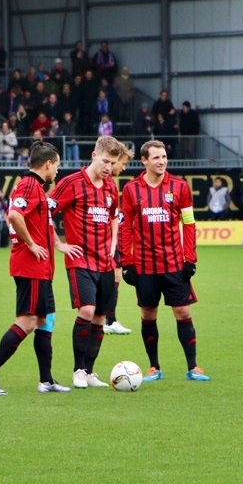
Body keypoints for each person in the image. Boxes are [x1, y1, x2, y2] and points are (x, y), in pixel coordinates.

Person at [0, 141, 80, 396]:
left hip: (42, 269)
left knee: (45, 320)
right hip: (30, 267)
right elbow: (14, 215)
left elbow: (42, 222)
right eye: (56, 165)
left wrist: (58, 244)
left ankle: (46, 380)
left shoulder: (36, 188)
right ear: (47, 164)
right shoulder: (29, 185)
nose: (57, 170)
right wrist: (31, 244)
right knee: (28, 321)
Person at [119, 140, 209, 382]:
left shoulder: (179, 187)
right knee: (148, 315)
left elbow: (189, 224)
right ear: (145, 161)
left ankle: (193, 367)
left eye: (164, 156)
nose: (161, 161)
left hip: (173, 264)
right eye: (156, 157)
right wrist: (126, 262)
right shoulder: (131, 190)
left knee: (183, 311)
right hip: (144, 266)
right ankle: (154, 368)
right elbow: (125, 227)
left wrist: (190, 258)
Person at [49, 135, 126, 389]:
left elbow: (114, 216)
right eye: (105, 161)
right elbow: (44, 211)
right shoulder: (71, 183)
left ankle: (91, 372)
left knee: (100, 317)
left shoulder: (111, 187)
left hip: (105, 261)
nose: (108, 167)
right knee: (87, 311)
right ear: (94, 155)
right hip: (80, 259)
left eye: (113, 163)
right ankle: (78, 371)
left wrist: (114, 245)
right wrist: (59, 244)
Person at [103, 145, 135, 336]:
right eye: (122, 164)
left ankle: (110, 320)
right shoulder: (100, 182)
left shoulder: (111, 186)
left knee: (115, 277)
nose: (123, 168)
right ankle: (104, 320)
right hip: (102, 241)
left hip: (111, 240)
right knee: (109, 278)